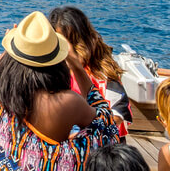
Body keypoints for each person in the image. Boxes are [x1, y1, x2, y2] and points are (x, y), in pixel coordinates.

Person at [0, 11, 118, 171]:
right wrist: (77, 66)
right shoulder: (66, 102)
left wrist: (5, 55)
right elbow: (107, 127)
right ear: (57, 61)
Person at [49, 7, 132, 140]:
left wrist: (82, 134)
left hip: (102, 145)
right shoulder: (56, 71)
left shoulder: (102, 74)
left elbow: (116, 116)